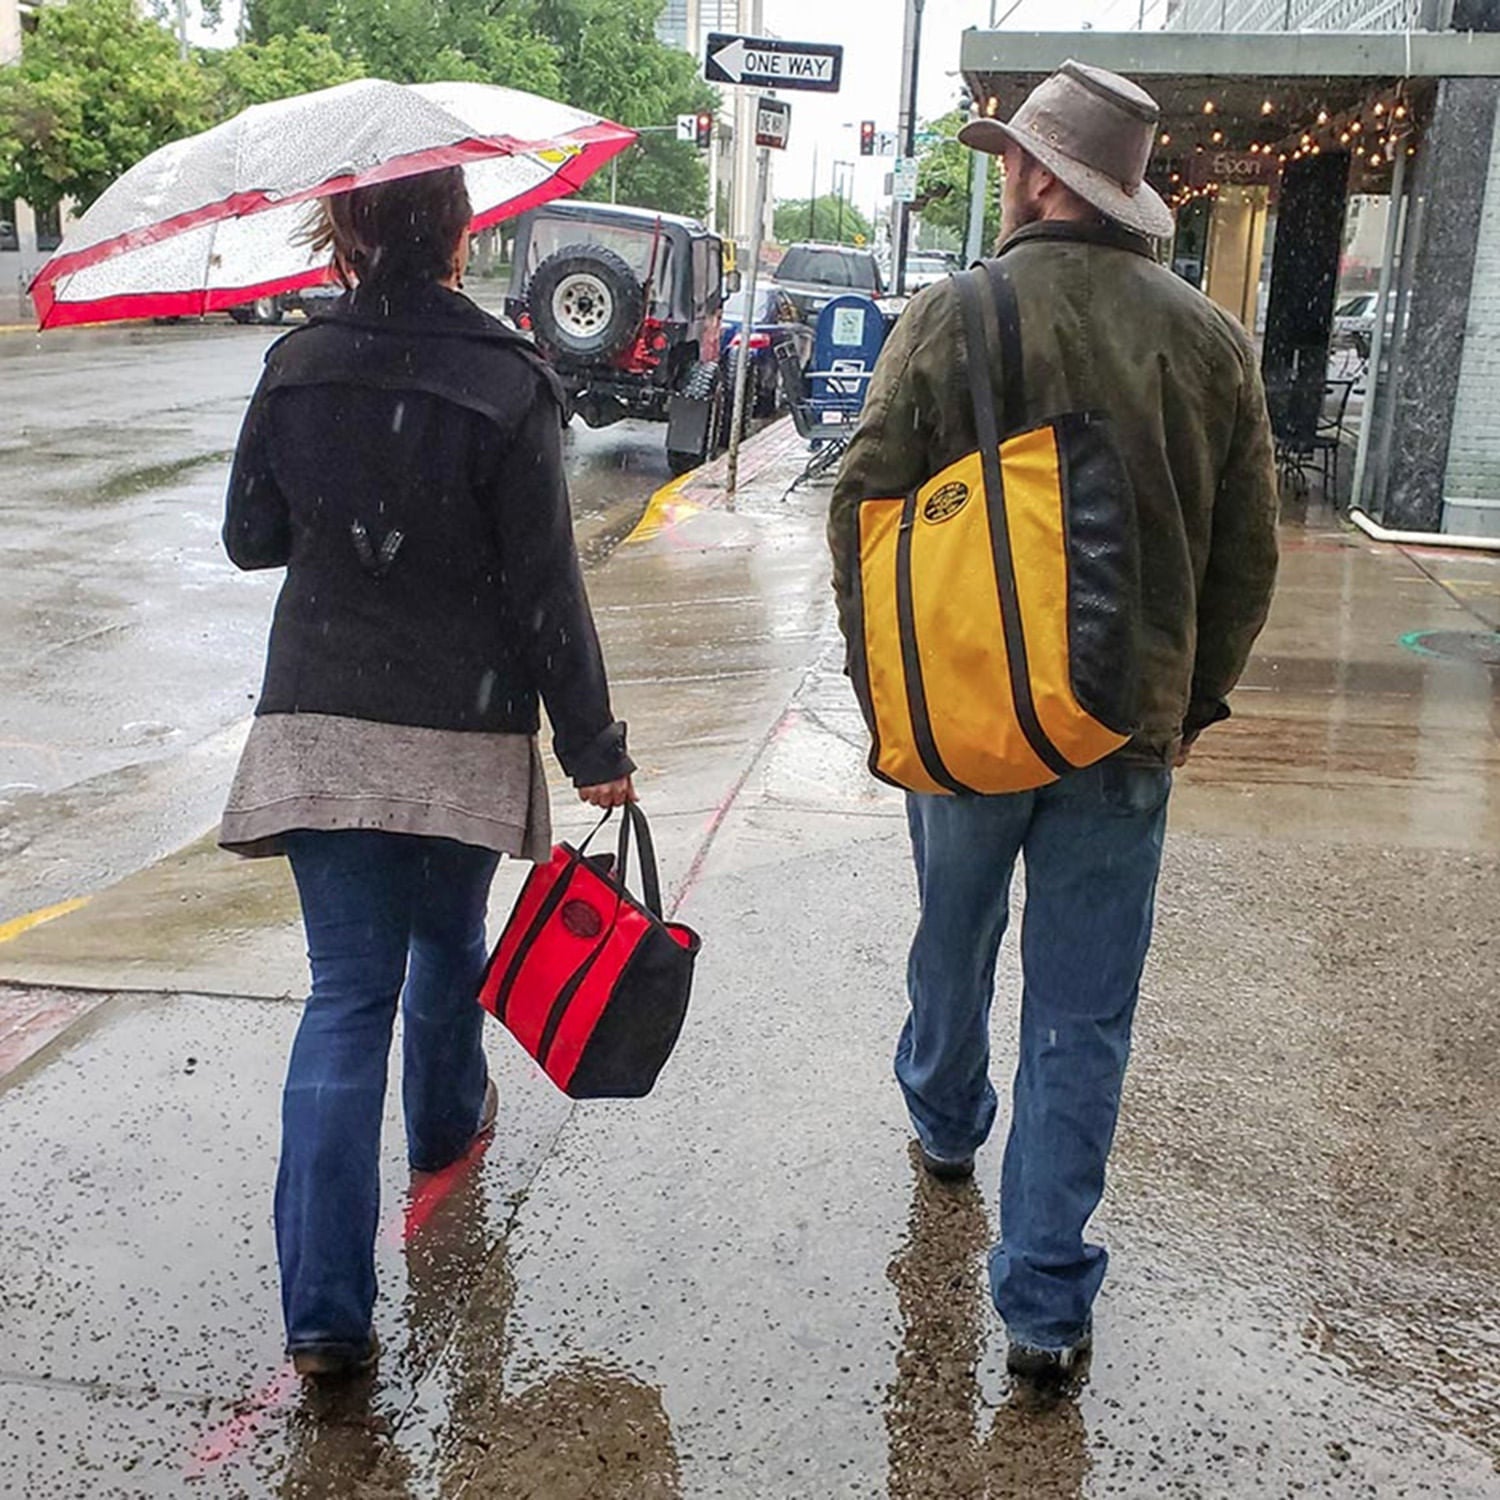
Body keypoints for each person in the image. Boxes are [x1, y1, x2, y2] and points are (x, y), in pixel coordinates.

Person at [828, 63, 1278, 1381]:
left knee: (954, 944)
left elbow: (862, 510)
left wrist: (889, 691)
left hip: (966, 717)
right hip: (1127, 733)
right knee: (1084, 1015)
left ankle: (948, 1119)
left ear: (1032, 175)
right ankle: (1043, 1304)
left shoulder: (951, 314)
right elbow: (1246, 561)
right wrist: (1189, 703)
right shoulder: (1210, 343)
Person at [220, 166, 635, 1380]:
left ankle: (324, 1316)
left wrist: (348, 514)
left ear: (346, 227)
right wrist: (594, 745)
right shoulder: (507, 377)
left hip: (322, 722)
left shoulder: (296, 364)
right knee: (447, 952)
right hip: (460, 722)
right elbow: (544, 590)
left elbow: (251, 538)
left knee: (345, 997)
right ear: (460, 230)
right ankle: (448, 1128)